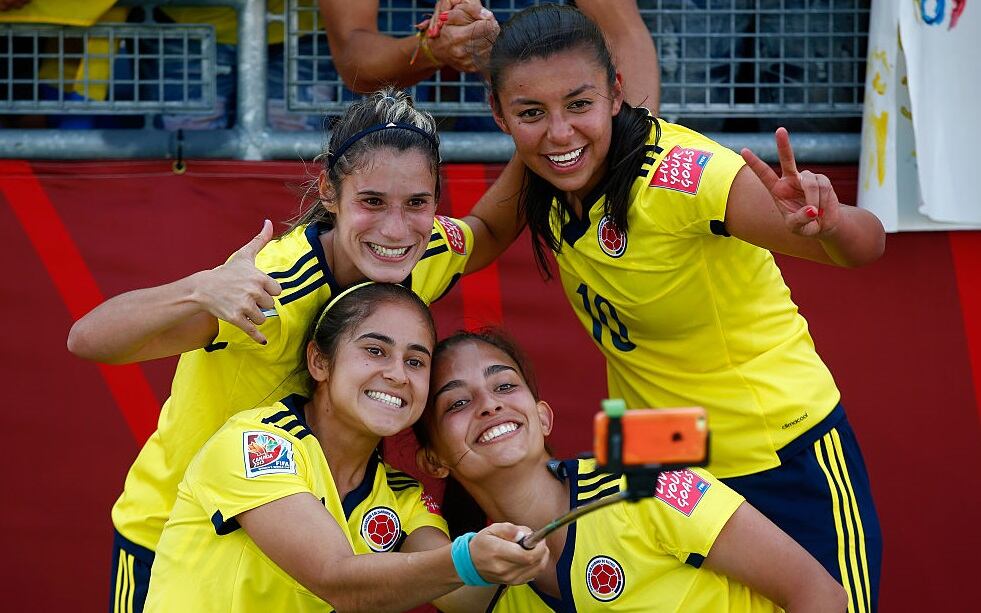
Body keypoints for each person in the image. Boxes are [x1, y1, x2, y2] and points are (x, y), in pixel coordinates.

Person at [464, 5, 885, 612]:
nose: (559, 133)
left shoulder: (685, 178)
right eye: (532, 113)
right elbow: (479, 234)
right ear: (500, 116)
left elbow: (866, 247)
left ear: (614, 94)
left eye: (578, 105)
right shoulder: (545, 173)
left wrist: (830, 221)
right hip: (659, 457)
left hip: (778, 456)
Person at [67, 88, 487, 613]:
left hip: (305, 529)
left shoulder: (421, 253)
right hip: (181, 532)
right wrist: (202, 287)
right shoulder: (273, 291)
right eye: (372, 201)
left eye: (418, 203)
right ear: (330, 192)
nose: (395, 228)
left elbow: (487, 229)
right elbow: (86, 338)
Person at [144, 284, 548, 612]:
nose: (396, 374)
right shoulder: (255, 442)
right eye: (375, 351)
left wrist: (521, 527)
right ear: (320, 362)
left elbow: (465, 598)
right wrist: (467, 560)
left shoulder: (400, 494)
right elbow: (337, 580)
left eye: (415, 361)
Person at [414, 329, 848, 611]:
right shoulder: (488, 584)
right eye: (458, 402)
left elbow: (817, 593)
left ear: (543, 416)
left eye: (505, 385)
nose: (490, 404)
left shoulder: (646, 480)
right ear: (434, 458)